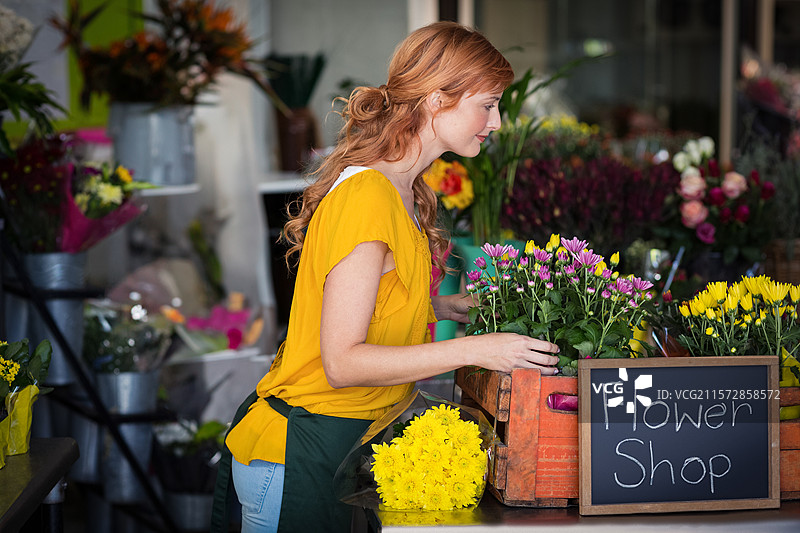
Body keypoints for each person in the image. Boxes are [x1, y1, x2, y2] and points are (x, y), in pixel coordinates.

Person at [222, 20, 560, 533]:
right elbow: (342, 361)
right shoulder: (369, 198)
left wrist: (440, 307)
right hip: (303, 446)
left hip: (339, 440)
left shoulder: (403, 189)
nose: (496, 122)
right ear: (434, 99)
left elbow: (369, 300)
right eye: (487, 104)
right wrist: (481, 348)